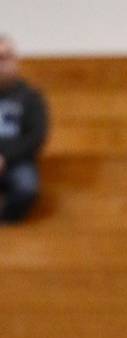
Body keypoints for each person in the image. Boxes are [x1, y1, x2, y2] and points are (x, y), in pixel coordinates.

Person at [0, 36, 48, 224]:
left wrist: (5, 157)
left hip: (17, 162)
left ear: (15, 61)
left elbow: (36, 136)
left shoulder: (30, 97)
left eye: (5, 57)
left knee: (26, 186)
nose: (1, 64)